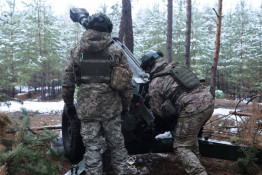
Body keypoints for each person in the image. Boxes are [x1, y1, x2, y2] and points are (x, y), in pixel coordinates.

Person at [62, 12, 133, 175]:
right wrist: (125, 106)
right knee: (117, 148)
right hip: (111, 109)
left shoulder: (77, 51)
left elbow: (67, 81)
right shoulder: (116, 51)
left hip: (87, 110)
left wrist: (69, 105)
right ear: (107, 29)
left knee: (92, 149)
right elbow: (126, 83)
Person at [140, 50, 214, 175]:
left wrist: (153, 103)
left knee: (181, 146)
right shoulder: (176, 68)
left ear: (149, 66)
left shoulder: (155, 82)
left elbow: (160, 113)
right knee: (190, 138)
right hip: (209, 102)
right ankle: (191, 167)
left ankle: (198, 172)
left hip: (192, 109)